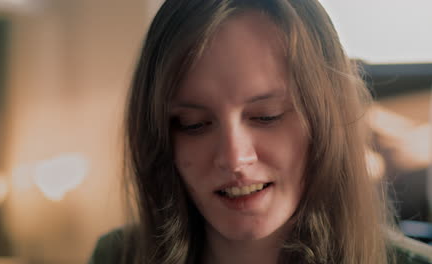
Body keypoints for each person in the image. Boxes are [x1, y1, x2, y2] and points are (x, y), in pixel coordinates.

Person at [89, 0, 412, 263]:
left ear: (325, 119)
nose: (234, 159)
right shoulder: (117, 256)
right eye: (194, 124)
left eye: (266, 116)